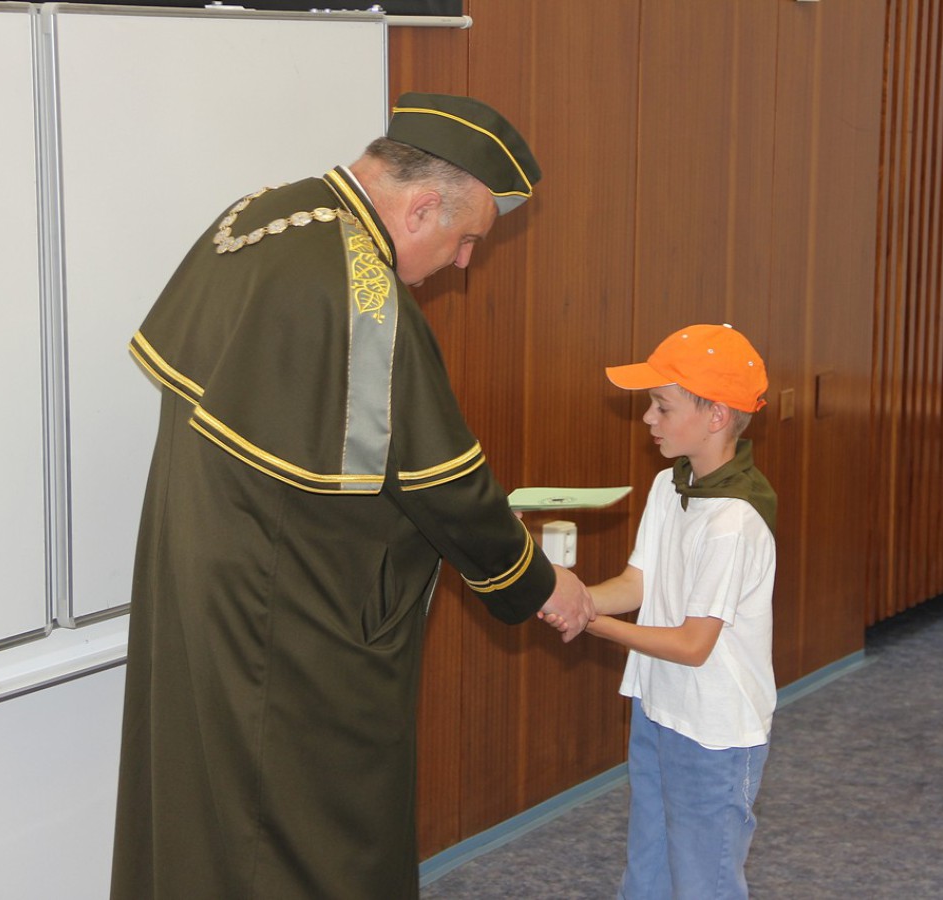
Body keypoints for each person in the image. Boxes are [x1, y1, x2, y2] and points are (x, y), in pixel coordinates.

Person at [110, 93, 595, 900]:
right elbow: (442, 482)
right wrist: (537, 581)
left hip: (200, 570)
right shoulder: (363, 289)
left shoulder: (261, 215)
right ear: (422, 206)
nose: (463, 263)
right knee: (306, 827)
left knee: (206, 799)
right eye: (466, 239)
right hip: (290, 611)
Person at [566, 323, 778, 899]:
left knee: (704, 881)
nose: (647, 418)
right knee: (649, 870)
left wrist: (591, 622)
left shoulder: (733, 521)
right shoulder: (670, 486)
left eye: (662, 406)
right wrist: (572, 596)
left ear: (716, 416)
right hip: (658, 707)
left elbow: (692, 644)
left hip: (714, 732)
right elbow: (638, 584)